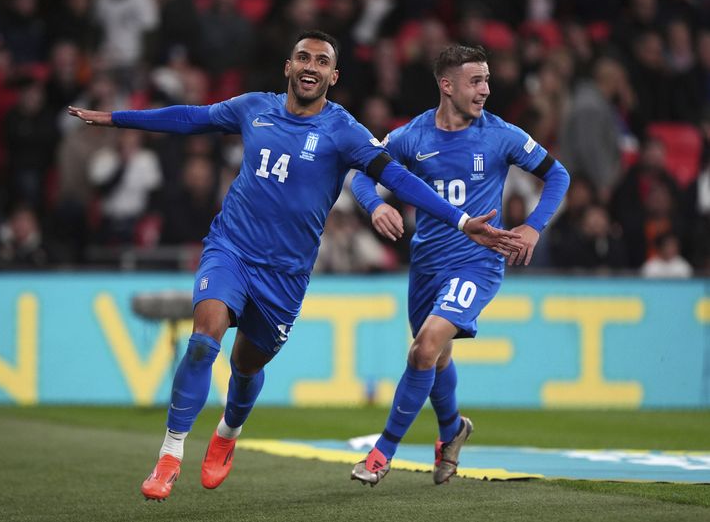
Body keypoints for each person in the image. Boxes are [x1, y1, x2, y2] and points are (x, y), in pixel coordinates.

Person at [68, 31, 523, 501]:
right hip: (231, 248)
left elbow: (397, 177)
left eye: (321, 61)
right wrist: (117, 120)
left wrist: (462, 219)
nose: (311, 66)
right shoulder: (253, 108)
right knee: (205, 339)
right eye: (302, 57)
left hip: (284, 275)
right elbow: (191, 118)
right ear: (288, 67)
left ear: (333, 75)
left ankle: (227, 432)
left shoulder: (343, 131)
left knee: (246, 366)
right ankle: (169, 455)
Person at [349, 44, 570, 486]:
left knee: (424, 347)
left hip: (478, 262)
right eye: (476, 81)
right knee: (436, 358)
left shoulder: (500, 134)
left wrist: (533, 227)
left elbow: (557, 174)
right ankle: (452, 430)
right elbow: (360, 174)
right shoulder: (412, 137)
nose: (485, 89)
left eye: (487, 80)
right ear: (446, 86)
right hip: (427, 265)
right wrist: (374, 206)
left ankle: (381, 452)